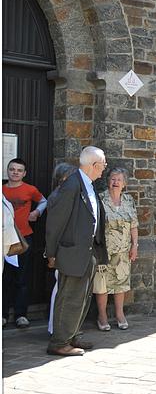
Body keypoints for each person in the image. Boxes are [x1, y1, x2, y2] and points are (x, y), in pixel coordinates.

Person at [45, 146, 108, 356]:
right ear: (94, 165)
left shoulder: (88, 184)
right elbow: (56, 221)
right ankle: (59, 342)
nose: (105, 168)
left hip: (88, 252)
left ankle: (72, 336)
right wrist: (51, 253)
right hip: (72, 252)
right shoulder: (72, 185)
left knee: (82, 298)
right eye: (103, 164)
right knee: (69, 297)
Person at [3, 158, 48, 328]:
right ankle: (3, 314)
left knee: (22, 278)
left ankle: (21, 315)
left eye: (19, 170)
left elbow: (45, 201)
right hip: (4, 240)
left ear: (24, 173)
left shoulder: (30, 190)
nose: (15, 172)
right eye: (12, 169)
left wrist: (37, 212)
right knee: (4, 278)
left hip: (24, 238)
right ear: (7, 171)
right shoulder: (2, 190)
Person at [93, 167, 138, 331]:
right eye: (113, 179)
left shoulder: (128, 200)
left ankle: (120, 314)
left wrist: (135, 245)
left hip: (123, 251)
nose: (115, 182)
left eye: (119, 179)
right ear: (107, 181)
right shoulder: (100, 199)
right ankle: (102, 316)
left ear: (124, 183)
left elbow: (134, 225)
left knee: (121, 283)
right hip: (103, 250)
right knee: (102, 284)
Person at [46, 163, 78, 336]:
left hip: (66, 249)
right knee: (60, 290)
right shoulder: (59, 196)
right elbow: (55, 228)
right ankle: (56, 328)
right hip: (62, 249)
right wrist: (52, 253)